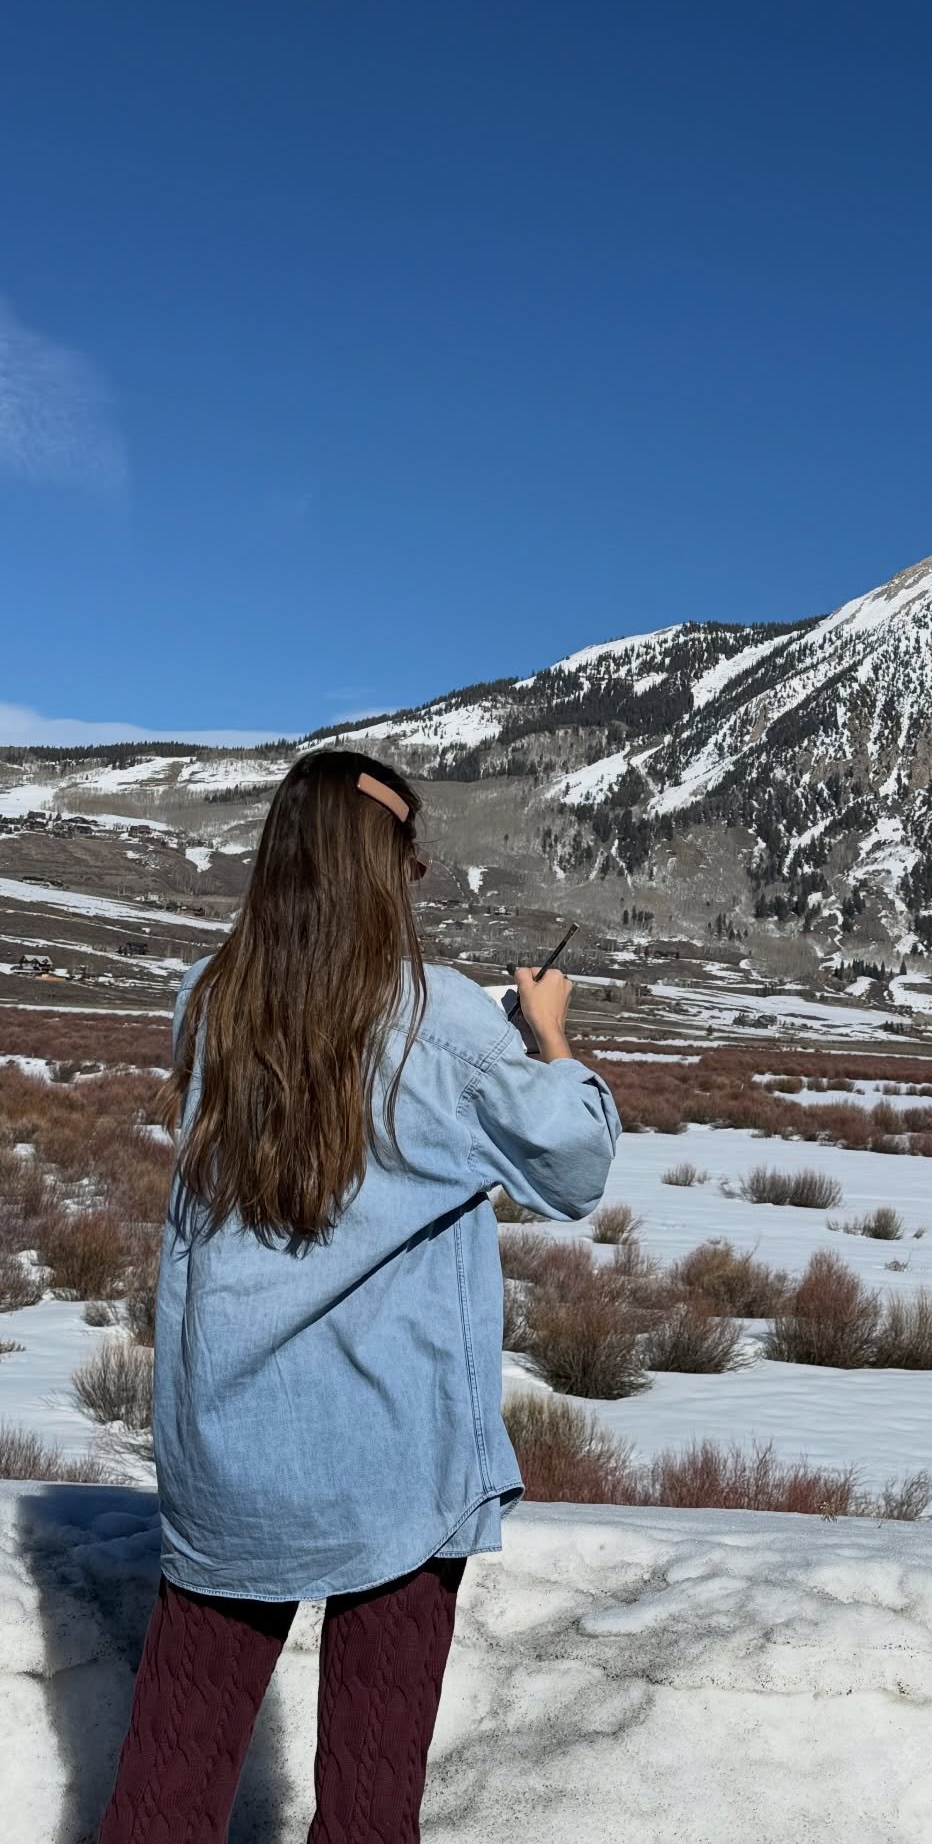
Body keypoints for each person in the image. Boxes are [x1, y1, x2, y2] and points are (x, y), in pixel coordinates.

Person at [98, 748, 620, 1844]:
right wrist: (548, 1037)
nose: (421, 876)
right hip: (395, 1468)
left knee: (168, 1788)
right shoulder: (448, 1025)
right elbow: (572, 1166)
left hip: (227, 1458)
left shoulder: (211, 999)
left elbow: (331, 1055)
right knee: (369, 1808)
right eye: (413, 860)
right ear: (384, 872)